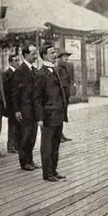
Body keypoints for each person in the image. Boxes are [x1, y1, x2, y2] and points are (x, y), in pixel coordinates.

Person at [35, 45, 68, 182]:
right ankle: (47, 173)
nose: (55, 54)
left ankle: (53, 170)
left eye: (55, 52)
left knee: (55, 144)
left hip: (57, 114)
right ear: (44, 56)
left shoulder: (53, 70)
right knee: (47, 145)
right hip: (49, 115)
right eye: (52, 52)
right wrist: (40, 118)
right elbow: (37, 98)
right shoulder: (41, 74)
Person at [12, 45, 41, 171]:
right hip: (25, 109)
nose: (35, 56)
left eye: (36, 54)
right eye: (33, 54)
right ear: (25, 54)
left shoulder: (34, 70)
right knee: (25, 136)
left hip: (34, 109)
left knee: (33, 136)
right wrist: (17, 110)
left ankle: (30, 160)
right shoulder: (20, 71)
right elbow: (14, 93)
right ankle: (24, 162)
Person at [3, 54, 21, 154]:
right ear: (10, 62)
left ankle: (17, 145)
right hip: (11, 104)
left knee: (18, 125)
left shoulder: (19, 73)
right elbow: (6, 91)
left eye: (18, 60)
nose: (17, 63)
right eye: (15, 61)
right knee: (12, 125)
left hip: (17, 103)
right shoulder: (6, 74)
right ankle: (11, 146)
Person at [56, 50, 73, 143]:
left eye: (67, 56)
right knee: (60, 116)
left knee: (62, 116)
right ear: (60, 58)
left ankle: (61, 135)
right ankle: (59, 136)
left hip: (65, 95)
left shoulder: (64, 67)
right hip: (61, 96)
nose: (66, 58)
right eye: (64, 56)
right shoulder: (58, 67)